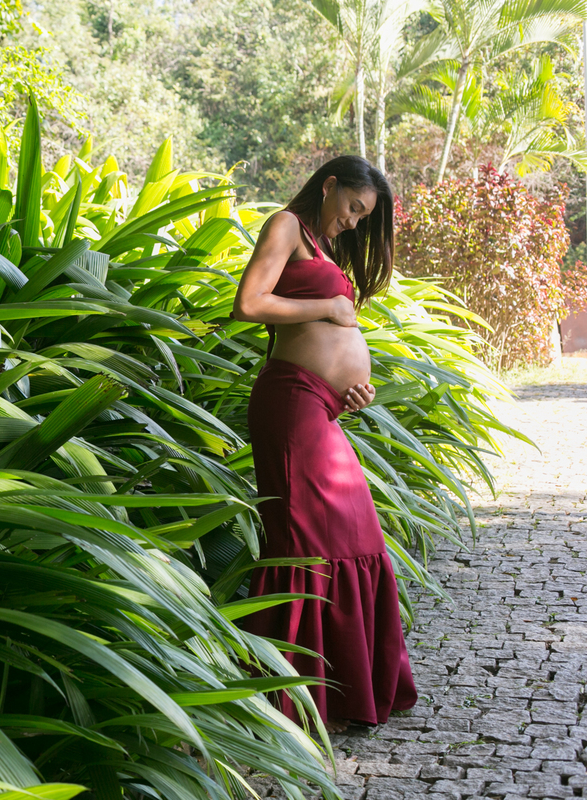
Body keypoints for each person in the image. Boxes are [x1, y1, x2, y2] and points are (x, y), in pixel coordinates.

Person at [230, 155, 418, 734]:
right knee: (307, 541)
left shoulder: (322, 245)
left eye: (365, 218)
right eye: (354, 208)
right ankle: (287, 699)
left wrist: (349, 388)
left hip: (320, 406)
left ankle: (336, 692)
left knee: (354, 532)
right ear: (330, 185)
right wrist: (331, 307)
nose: (356, 223)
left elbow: (318, 334)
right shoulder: (286, 226)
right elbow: (251, 304)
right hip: (290, 405)